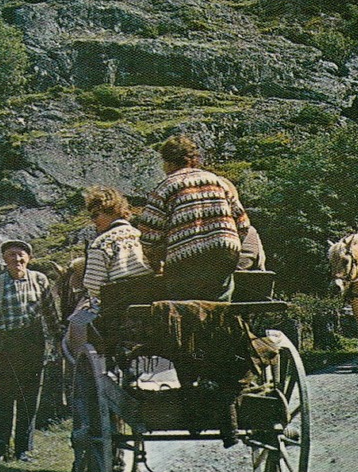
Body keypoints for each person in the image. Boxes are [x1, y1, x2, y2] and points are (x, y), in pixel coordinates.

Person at [136, 135, 252, 301]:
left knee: (186, 311)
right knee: (218, 309)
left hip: (185, 262)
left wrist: (157, 263)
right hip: (223, 255)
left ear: (168, 162)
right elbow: (243, 223)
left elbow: (149, 236)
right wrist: (228, 244)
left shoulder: (164, 189)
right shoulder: (218, 182)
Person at [0, 239, 60, 461]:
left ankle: (24, 450)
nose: (17, 259)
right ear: (4, 259)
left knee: (29, 399)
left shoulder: (39, 280)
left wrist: (60, 341)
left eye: (21, 255)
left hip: (32, 344)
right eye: (11, 255)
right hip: (3, 346)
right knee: (3, 399)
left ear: (29, 258)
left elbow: (51, 314)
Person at [65, 186, 151, 360]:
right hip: (148, 298)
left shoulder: (101, 243)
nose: (93, 221)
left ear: (113, 211)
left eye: (96, 215)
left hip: (116, 307)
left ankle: (81, 369)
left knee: (75, 322)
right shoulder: (140, 235)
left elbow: (93, 285)